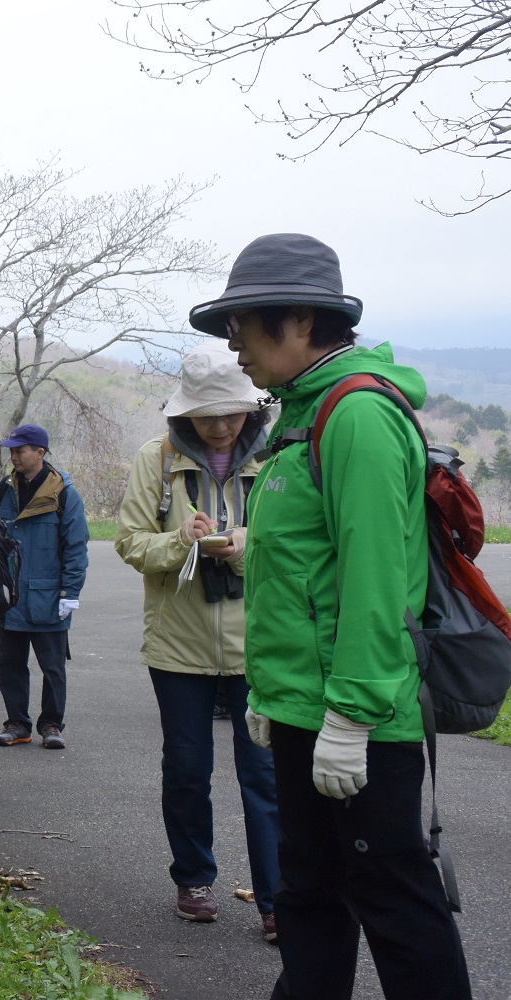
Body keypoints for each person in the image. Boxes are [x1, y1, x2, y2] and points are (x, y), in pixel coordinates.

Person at [192, 233, 470, 998]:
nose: (233, 345)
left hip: (357, 719)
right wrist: (271, 695)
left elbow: (378, 580)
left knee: (393, 900)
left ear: (301, 321)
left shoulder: (357, 414)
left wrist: (349, 717)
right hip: (298, 708)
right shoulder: (301, 413)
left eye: (241, 326)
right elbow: (304, 564)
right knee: (309, 894)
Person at [113, 340, 281, 940]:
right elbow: (131, 542)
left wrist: (243, 552)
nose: (218, 427)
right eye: (206, 416)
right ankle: (194, 878)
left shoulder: (277, 460)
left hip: (256, 647)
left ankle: (276, 899)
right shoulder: (155, 460)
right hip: (178, 649)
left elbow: (293, 554)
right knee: (186, 768)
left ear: (250, 410)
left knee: (264, 774)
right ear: (184, 414)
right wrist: (181, 540)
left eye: (231, 414)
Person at [0, 424, 89, 750]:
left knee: (52, 668)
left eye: (20, 450)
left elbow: (76, 548)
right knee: (10, 664)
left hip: (49, 596)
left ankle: (51, 725)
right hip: (11, 597)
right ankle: (17, 723)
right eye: (12, 450)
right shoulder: (3, 491)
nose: (14, 456)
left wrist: (70, 594)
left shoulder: (64, 494)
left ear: (40, 453)